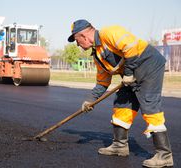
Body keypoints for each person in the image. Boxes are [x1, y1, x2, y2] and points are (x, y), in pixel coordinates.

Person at [67, 19, 173, 168]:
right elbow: (102, 82)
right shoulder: (98, 54)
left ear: (83, 35)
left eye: (76, 40)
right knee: (121, 104)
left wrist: (128, 73)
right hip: (130, 75)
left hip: (149, 65)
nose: (77, 44)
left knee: (149, 105)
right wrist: (90, 100)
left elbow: (130, 47)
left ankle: (165, 155)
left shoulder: (109, 33)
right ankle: (119, 145)